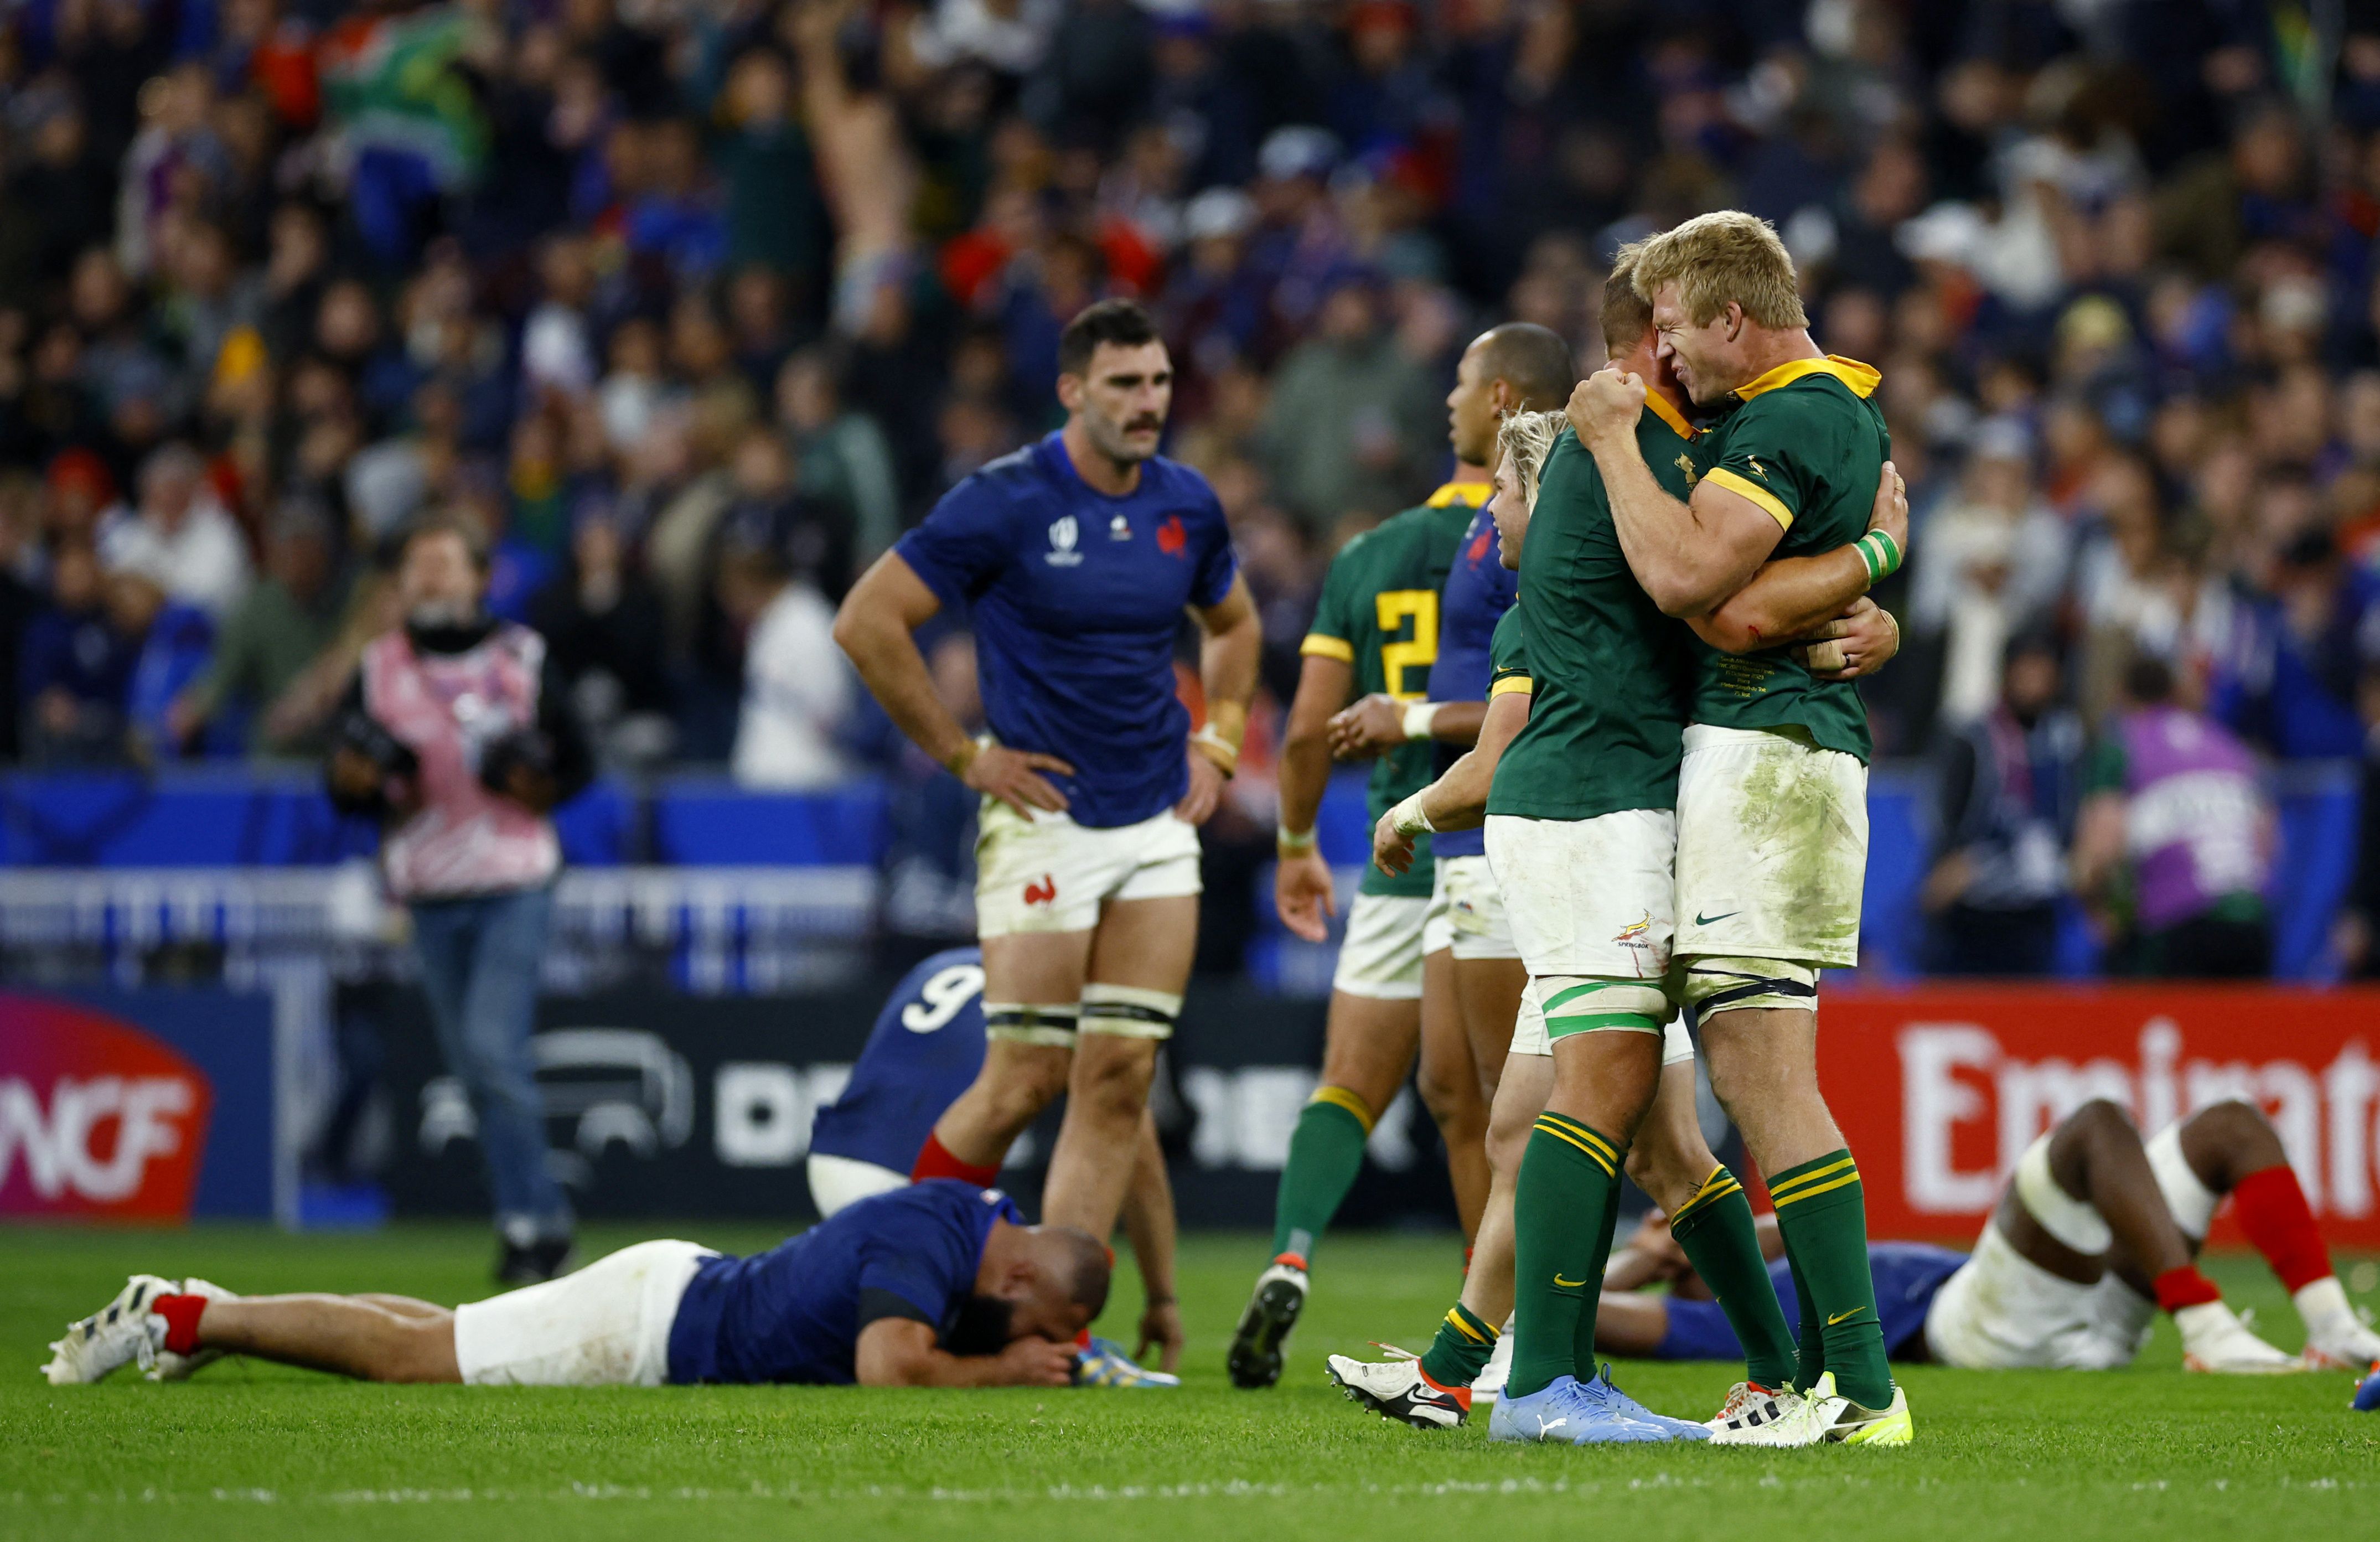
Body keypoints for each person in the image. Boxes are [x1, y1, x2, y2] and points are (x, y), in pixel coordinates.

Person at [1323, 360, 1901, 1435]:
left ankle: (1498, 1372)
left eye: (1502, 493)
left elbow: (1728, 614)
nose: (1488, 516)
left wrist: (1865, 612)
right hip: (1601, 836)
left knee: (1579, 1123)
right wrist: (1867, 568)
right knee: (1608, 1119)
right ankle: (1548, 1378)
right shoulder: (1571, 592)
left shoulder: (1618, 567)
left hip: (1616, 837)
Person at [1566, 210, 1910, 1445]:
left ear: (1730, 319)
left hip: (1770, 764)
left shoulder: (1793, 414)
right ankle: (1810, 1377)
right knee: (1749, 1073)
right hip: (1771, 759)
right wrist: (1871, 571)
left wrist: (1606, 443)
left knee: (1762, 1077)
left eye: (1675, 332)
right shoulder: (1798, 413)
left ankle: (1862, 1391)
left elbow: (1697, 594)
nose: (1666, 359)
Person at [832, 299, 1260, 1262]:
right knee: (1024, 1077)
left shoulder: (1186, 501)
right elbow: (867, 621)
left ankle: (1058, 1325)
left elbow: (1234, 626)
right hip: (1046, 820)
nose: (1148, 402)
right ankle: (885, 1277)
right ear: (1073, 391)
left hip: (1157, 818)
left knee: (1118, 1078)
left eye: (1157, 382)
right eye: (1124, 385)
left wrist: (1219, 742)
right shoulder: (1005, 498)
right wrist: (964, 756)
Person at [1229, 324, 1571, 1392]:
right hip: (1465, 826)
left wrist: (1295, 843)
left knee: (1374, 1084)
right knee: (1472, 1092)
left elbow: (1304, 731)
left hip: (1424, 827)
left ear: (1501, 398)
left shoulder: (1376, 556)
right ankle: (1489, 1318)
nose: (1445, 405)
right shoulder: (1532, 532)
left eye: (1462, 388)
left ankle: (1299, 1250)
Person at [43, 1182, 1108, 1391]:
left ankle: (216, 1314)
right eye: (1039, 1316)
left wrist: (1038, 1348)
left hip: (672, 1291)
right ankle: (176, 1314)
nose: (1027, 1330)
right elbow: (890, 1368)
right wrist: (1007, 1369)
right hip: (650, 1329)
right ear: (1014, 1274)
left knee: (451, 1330)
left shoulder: (971, 1226)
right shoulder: (930, 1239)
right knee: (425, 1358)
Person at [1591, 1099, 2380, 1377]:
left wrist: (1688, 1236)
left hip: (2060, 1303)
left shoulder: (1770, 1255)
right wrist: (1645, 1257)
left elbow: (1770, 1232)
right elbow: (1579, 1311)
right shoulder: (1722, 1322)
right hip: (1985, 1329)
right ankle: (2205, 1326)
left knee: (2230, 1127)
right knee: (2096, 1128)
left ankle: (2334, 1331)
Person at [326, 518, 593, 1285]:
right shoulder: (377, 668)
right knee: (474, 1069)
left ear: (481, 576)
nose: (430, 578)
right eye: (417, 566)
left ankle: (538, 1224)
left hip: (515, 877)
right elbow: (342, 782)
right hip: (430, 886)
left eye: (444, 562)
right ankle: (528, 1223)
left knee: (489, 1047)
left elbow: (581, 761)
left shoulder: (521, 658)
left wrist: (540, 783)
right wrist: (358, 782)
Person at [804, 944, 1184, 1383]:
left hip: (834, 1158)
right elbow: (1132, 1137)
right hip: (916, 1185)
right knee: (1039, 1264)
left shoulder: (945, 962)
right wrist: (1162, 1298)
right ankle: (1071, 1352)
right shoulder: (1064, 985)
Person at [2073, 654, 2275, 978]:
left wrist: (2100, 909)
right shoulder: (2227, 745)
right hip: (2251, 915)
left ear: (2121, 695)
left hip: (2179, 921)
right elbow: (2266, 837)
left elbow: (2099, 848)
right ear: (2175, 694)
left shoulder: (2123, 744)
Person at [1923, 634, 2087, 976]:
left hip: (2039, 898)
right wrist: (1947, 862)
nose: (2035, 684)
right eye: (2026, 672)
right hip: (1978, 898)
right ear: (2007, 673)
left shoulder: (2065, 739)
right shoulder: (1974, 738)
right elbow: (1946, 813)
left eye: (2044, 674)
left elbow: (2071, 813)